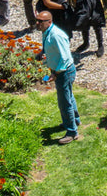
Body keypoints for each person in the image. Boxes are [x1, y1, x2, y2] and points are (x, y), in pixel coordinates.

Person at [36, 9, 82, 143]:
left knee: (64, 102)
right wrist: (42, 53)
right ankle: (75, 120)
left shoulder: (56, 35)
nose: (37, 23)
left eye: (40, 21)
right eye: (37, 20)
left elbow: (65, 58)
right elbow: (48, 46)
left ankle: (72, 132)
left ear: (49, 22)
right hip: (60, 71)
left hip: (64, 72)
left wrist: (55, 74)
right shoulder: (47, 32)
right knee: (69, 96)